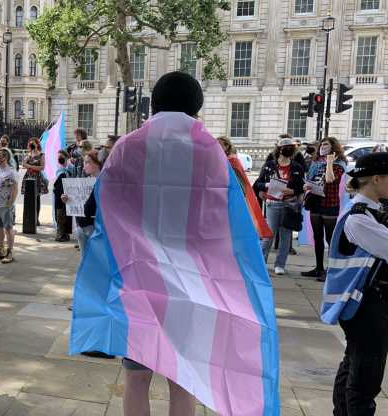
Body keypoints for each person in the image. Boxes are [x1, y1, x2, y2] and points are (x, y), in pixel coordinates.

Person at [70, 71, 280, 416]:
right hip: (195, 285)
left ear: (155, 101)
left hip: (140, 280)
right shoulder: (209, 149)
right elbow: (227, 219)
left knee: (136, 380)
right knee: (185, 381)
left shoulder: (128, 145)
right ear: (197, 105)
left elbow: (101, 205)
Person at [319, 152, 388, 416]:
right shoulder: (359, 218)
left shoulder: (370, 212)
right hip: (364, 305)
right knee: (364, 383)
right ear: (377, 179)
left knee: (353, 365)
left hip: (364, 303)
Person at [253, 137, 305, 276]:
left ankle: (280, 264)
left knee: (286, 236)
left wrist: (293, 191)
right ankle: (261, 262)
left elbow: (301, 186)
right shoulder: (270, 165)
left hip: (289, 204)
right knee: (269, 234)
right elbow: (258, 183)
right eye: (285, 147)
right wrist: (265, 186)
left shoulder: (297, 167)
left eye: (291, 148)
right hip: (273, 203)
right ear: (279, 150)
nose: (288, 150)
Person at [301, 137, 347, 281]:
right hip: (316, 202)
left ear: (333, 146)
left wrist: (329, 161)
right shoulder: (316, 162)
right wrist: (307, 186)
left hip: (330, 204)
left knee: (330, 238)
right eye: (322, 144)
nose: (322, 146)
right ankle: (319, 268)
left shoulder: (339, 163)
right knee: (317, 237)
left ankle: (330, 270)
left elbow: (329, 179)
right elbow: (310, 179)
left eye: (326, 144)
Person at [218, 136, 272, 240]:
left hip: (233, 196)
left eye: (220, 144)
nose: (217, 146)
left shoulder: (232, 161)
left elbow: (239, 182)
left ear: (227, 146)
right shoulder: (221, 159)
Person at [62, 150, 102, 252]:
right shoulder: (85, 182)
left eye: (87, 162)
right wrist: (68, 199)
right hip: (83, 226)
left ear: (97, 163)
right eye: (84, 162)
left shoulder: (103, 183)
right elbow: (80, 201)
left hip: (94, 227)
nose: (84, 166)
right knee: (85, 260)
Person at [21, 138, 46, 223]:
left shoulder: (41, 155)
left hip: (37, 177)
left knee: (37, 198)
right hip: (28, 177)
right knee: (28, 198)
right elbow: (23, 164)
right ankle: (29, 217)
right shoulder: (29, 154)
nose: (32, 145)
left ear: (37, 144)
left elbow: (42, 167)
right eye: (31, 144)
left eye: (33, 144)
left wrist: (30, 166)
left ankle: (36, 218)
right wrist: (30, 157)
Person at [53, 150, 73, 242]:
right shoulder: (58, 168)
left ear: (66, 157)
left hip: (68, 193)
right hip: (58, 193)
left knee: (66, 214)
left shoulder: (71, 168)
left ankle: (64, 234)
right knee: (59, 214)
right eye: (58, 157)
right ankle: (60, 233)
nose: (59, 158)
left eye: (61, 156)